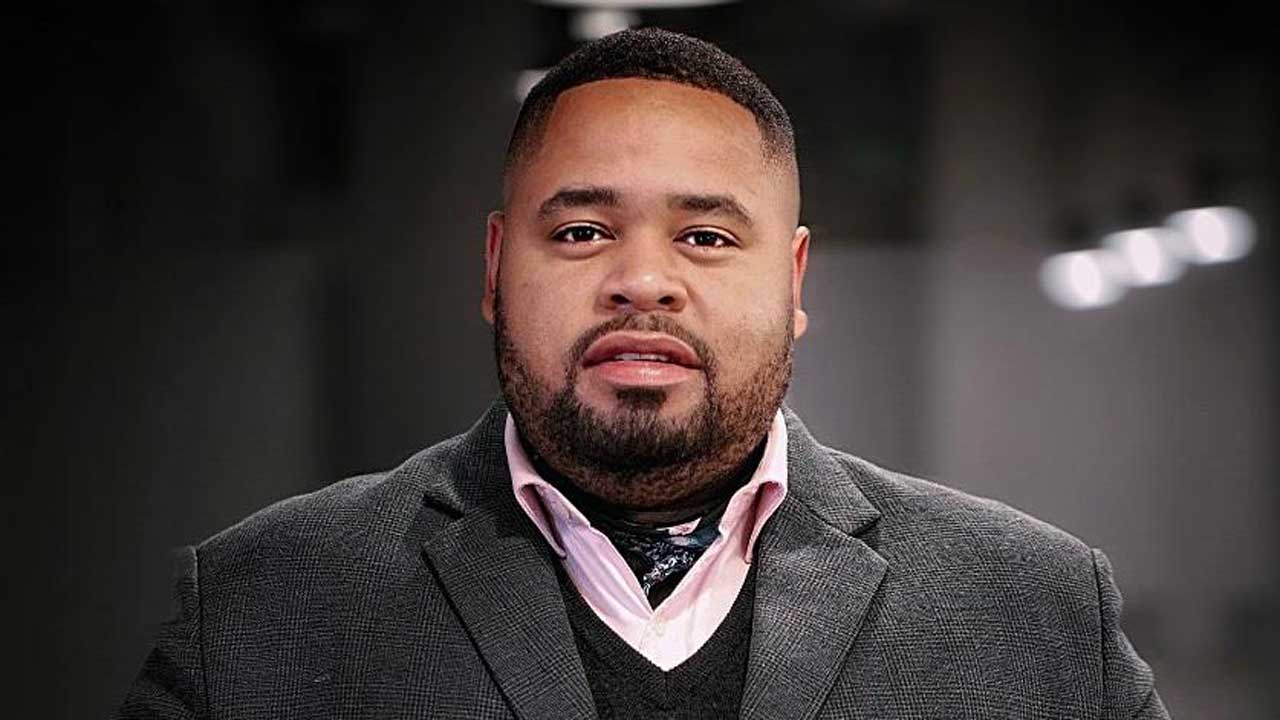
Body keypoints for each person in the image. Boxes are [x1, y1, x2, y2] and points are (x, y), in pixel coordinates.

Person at [118, 28, 1168, 720]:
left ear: (793, 279)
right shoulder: (262, 605)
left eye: (706, 238)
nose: (642, 282)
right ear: (495, 268)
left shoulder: (1032, 608)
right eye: (581, 231)